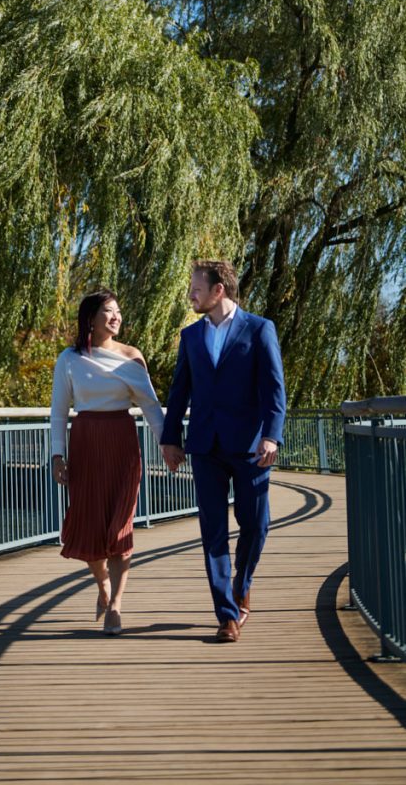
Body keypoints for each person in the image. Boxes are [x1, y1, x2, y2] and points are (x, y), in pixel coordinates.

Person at [160, 259, 286, 643]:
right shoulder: (191, 336)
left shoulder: (259, 329)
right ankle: (227, 615)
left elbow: (274, 389)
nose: (190, 295)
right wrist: (170, 439)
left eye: (196, 288)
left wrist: (272, 436)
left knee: (256, 526)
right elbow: (179, 391)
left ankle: (241, 584)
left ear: (219, 290)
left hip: (250, 447)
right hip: (205, 447)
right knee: (213, 532)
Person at [50, 288, 165, 636]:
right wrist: (57, 454)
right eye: (108, 311)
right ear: (91, 318)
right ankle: (102, 585)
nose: (116, 317)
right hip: (85, 443)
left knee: (119, 527)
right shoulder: (69, 359)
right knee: (88, 529)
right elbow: (58, 412)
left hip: (121, 443)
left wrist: (168, 446)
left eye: (118, 311)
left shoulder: (132, 357)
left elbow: (150, 406)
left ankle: (116, 604)